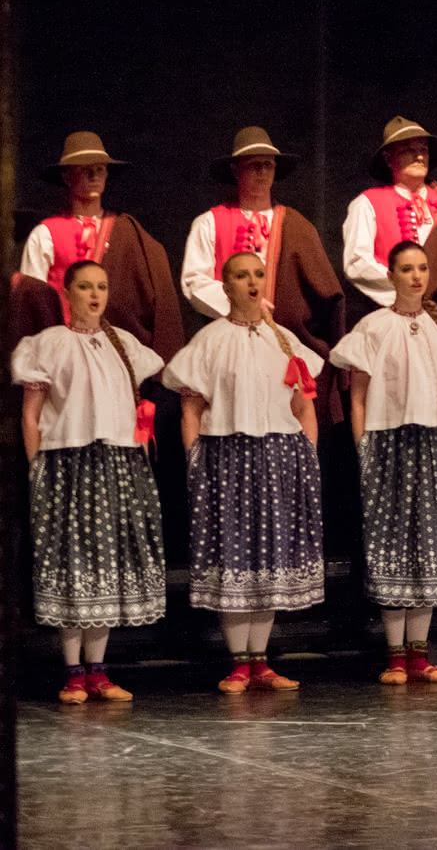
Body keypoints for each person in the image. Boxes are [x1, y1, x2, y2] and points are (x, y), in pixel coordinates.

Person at [163, 253, 324, 693]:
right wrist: (197, 460)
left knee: (267, 560)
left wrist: (306, 455)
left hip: (278, 456)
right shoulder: (211, 341)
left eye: (257, 274)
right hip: (228, 458)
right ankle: (239, 662)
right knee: (234, 557)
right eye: (241, 275)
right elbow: (191, 408)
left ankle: (260, 661)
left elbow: (303, 406)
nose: (252, 282)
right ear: (226, 286)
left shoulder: (284, 341)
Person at [330, 241, 437, 684]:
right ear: (391, 275)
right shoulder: (374, 327)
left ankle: (419, 653)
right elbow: (359, 398)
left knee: (429, 548)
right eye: (407, 269)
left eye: (422, 268)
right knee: (396, 547)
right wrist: (364, 449)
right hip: (392, 445)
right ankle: (395, 654)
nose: (416, 276)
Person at [13, 260, 165, 703]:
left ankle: (98, 671)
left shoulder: (123, 344)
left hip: (117, 463)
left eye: (101, 286)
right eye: (85, 286)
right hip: (69, 463)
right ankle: (73, 672)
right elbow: (31, 414)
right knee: (73, 565)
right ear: (67, 291)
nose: (95, 294)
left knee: (107, 567)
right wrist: (38, 466)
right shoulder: (49, 344)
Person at [181, 127, 346, 418]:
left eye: (268, 165)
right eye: (253, 165)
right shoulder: (209, 223)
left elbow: (324, 293)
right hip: (230, 346)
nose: (262, 172)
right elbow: (194, 281)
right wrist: (242, 305)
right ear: (236, 170)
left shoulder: (297, 225)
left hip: (285, 344)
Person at [11, 131, 183, 360]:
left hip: (115, 350)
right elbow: (31, 303)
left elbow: (150, 298)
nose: (94, 176)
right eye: (84, 170)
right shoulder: (45, 234)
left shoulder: (127, 231)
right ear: (67, 177)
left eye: (100, 169)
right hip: (63, 352)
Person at [342, 116, 437, 343]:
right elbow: (357, 262)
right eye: (409, 150)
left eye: (423, 150)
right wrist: (406, 292)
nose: (419, 156)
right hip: (392, 319)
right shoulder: (367, 204)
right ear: (388, 158)